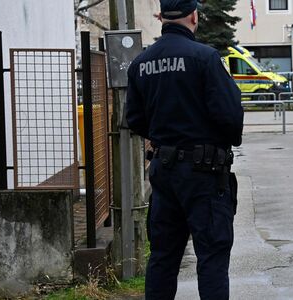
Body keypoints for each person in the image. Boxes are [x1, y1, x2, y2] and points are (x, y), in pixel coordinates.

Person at [124, 0, 244, 298]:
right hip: (205, 174)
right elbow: (230, 117)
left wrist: (160, 136)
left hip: (164, 173)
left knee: (163, 257)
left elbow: (134, 119)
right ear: (194, 16)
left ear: (161, 17)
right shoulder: (205, 58)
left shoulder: (142, 62)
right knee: (212, 257)